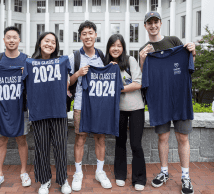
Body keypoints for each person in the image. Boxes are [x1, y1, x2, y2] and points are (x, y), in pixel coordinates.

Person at [139, 11, 196, 194]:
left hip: (180, 98)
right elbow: (144, 78)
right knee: (163, 137)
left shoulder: (174, 41)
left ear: (160, 23)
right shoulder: (145, 49)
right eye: (150, 23)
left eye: (156, 22)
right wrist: (142, 59)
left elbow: (190, 65)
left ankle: (185, 176)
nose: (153, 25)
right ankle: (164, 172)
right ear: (145, 26)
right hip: (160, 99)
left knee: (182, 137)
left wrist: (192, 51)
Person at [22, 32, 72, 194]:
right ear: (40, 43)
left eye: (53, 42)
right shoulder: (29, 62)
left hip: (58, 111)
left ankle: (63, 180)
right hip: (38, 111)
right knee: (41, 148)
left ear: (56, 46)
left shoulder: (63, 61)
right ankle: (45, 180)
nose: (50, 44)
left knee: (60, 147)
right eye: (46, 41)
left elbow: (69, 80)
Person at [69, 20, 112, 191]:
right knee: (80, 138)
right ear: (80, 36)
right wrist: (78, 74)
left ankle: (100, 172)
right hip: (80, 104)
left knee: (100, 138)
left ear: (95, 34)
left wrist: (112, 67)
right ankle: (78, 173)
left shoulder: (102, 56)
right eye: (84, 33)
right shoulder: (74, 57)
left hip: (99, 106)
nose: (88, 36)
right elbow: (66, 82)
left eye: (90, 32)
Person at [0, 26, 31, 190]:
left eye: (15, 37)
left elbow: (32, 85)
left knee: (22, 139)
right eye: (8, 37)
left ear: (19, 40)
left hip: (21, 107)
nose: (11, 40)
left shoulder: (27, 60)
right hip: (2, 107)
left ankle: (23, 172)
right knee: (2, 140)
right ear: (4, 40)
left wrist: (26, 75)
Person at [105, 34, 146, 191]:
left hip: (136, 108)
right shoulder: (106, 64)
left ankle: (139, 178)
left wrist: (118, 89)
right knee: (119, 143)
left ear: (123, 48)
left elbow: (138, 83)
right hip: (118, 110)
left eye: (119, 45)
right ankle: (120, 175)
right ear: (109, 48)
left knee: (136, 144)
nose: (116, 48)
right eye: (113, 45)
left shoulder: (130, 60)